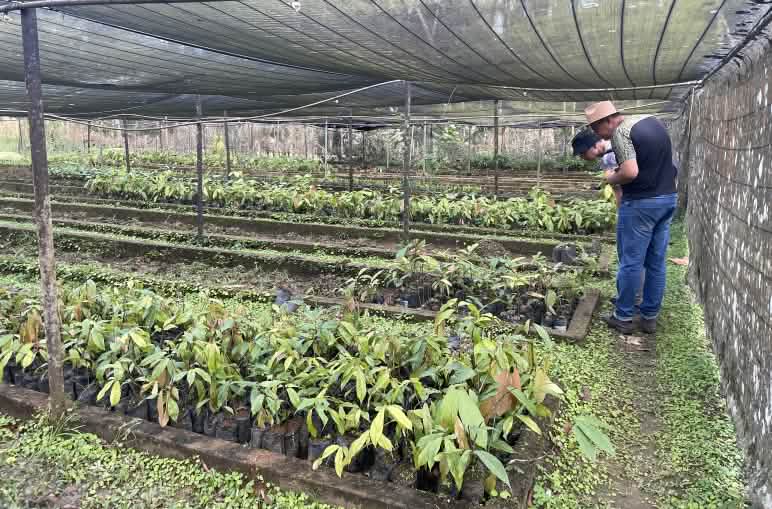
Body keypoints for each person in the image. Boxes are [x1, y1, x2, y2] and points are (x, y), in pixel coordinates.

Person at [584, 101, 678, 334]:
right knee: (656, 263)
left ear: (607, 121)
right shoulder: (653, 122)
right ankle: (649, 317)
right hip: (667, 198)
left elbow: (630, 172)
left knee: (631, 262)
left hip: (641, 204)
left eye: (597, 129)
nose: (599, 135)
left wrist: (609, 178)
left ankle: (623, 316)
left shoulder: (621, 132)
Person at [571, 128, 644, 307]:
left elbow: (617, 189)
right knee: (646, 258)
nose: (582, 158)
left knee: (629, 257)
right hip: (652, 201)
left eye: (582, 153)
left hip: (633, 208)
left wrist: (623, 214)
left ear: (594, 146)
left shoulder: (609, 157)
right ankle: (641, 300)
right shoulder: (627, 144)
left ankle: (630, 301)